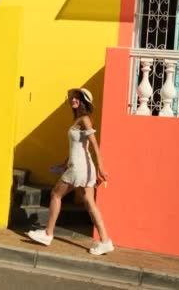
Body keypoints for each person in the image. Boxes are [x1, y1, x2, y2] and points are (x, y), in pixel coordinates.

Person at [26, 88, 114, 255]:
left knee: (55, 195)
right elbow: (79, 146)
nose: (73, 100)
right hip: (83, 166)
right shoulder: (80, 120)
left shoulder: (85, 119)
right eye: (72, 98)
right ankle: (105, 241)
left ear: (84, 101)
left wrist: (101, 166)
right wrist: (65, 163)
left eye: (77, 98)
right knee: (90, 203)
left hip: (80, 167)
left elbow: (93, 144)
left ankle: (47, 233)